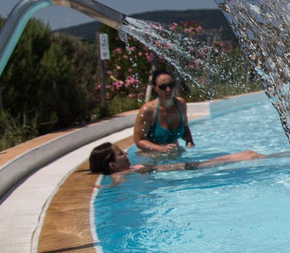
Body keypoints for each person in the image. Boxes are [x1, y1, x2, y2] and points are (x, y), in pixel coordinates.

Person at [89, 142, 265, 179]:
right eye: (121, 154)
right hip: (187, 169)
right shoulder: (123, 173)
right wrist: (108, 184)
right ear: (112, 165)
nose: (126, 155)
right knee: (250, 156)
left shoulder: (132, 167)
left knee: (249, 153)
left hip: (186, 166)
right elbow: (116, 180)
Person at [134, 69, 194, 154]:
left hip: (174, 154)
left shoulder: (181, 104)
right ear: (155, 88)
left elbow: (185, 127)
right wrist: (160, 149)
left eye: (171, 85)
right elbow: (139, 141)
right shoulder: (148, 110)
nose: (168, 89)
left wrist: (189, 140)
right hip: (151, 157)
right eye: (163, 87)